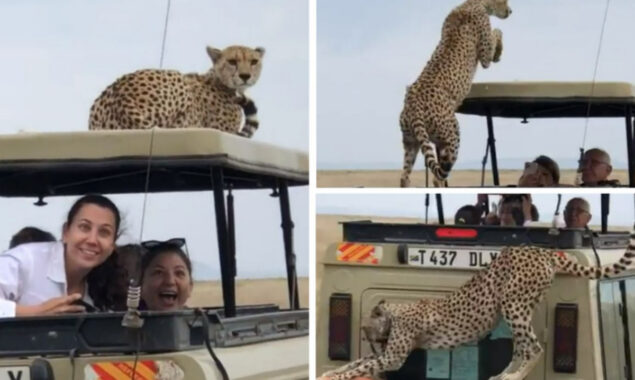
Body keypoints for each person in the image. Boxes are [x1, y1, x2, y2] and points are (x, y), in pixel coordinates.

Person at [0, 194, 120, 317]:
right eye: (84, 227)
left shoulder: (107, 284)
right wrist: (35, 312)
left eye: (104, 232)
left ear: (112, 245)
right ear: (65, 232)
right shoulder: (24, 260)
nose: (92, 240)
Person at [140, 239, 193, 311]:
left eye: (179, 273)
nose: (170, 281)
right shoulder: (127, 321)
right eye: (159, 272)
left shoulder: (202, 320)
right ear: (140, 287)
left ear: (190, 287)